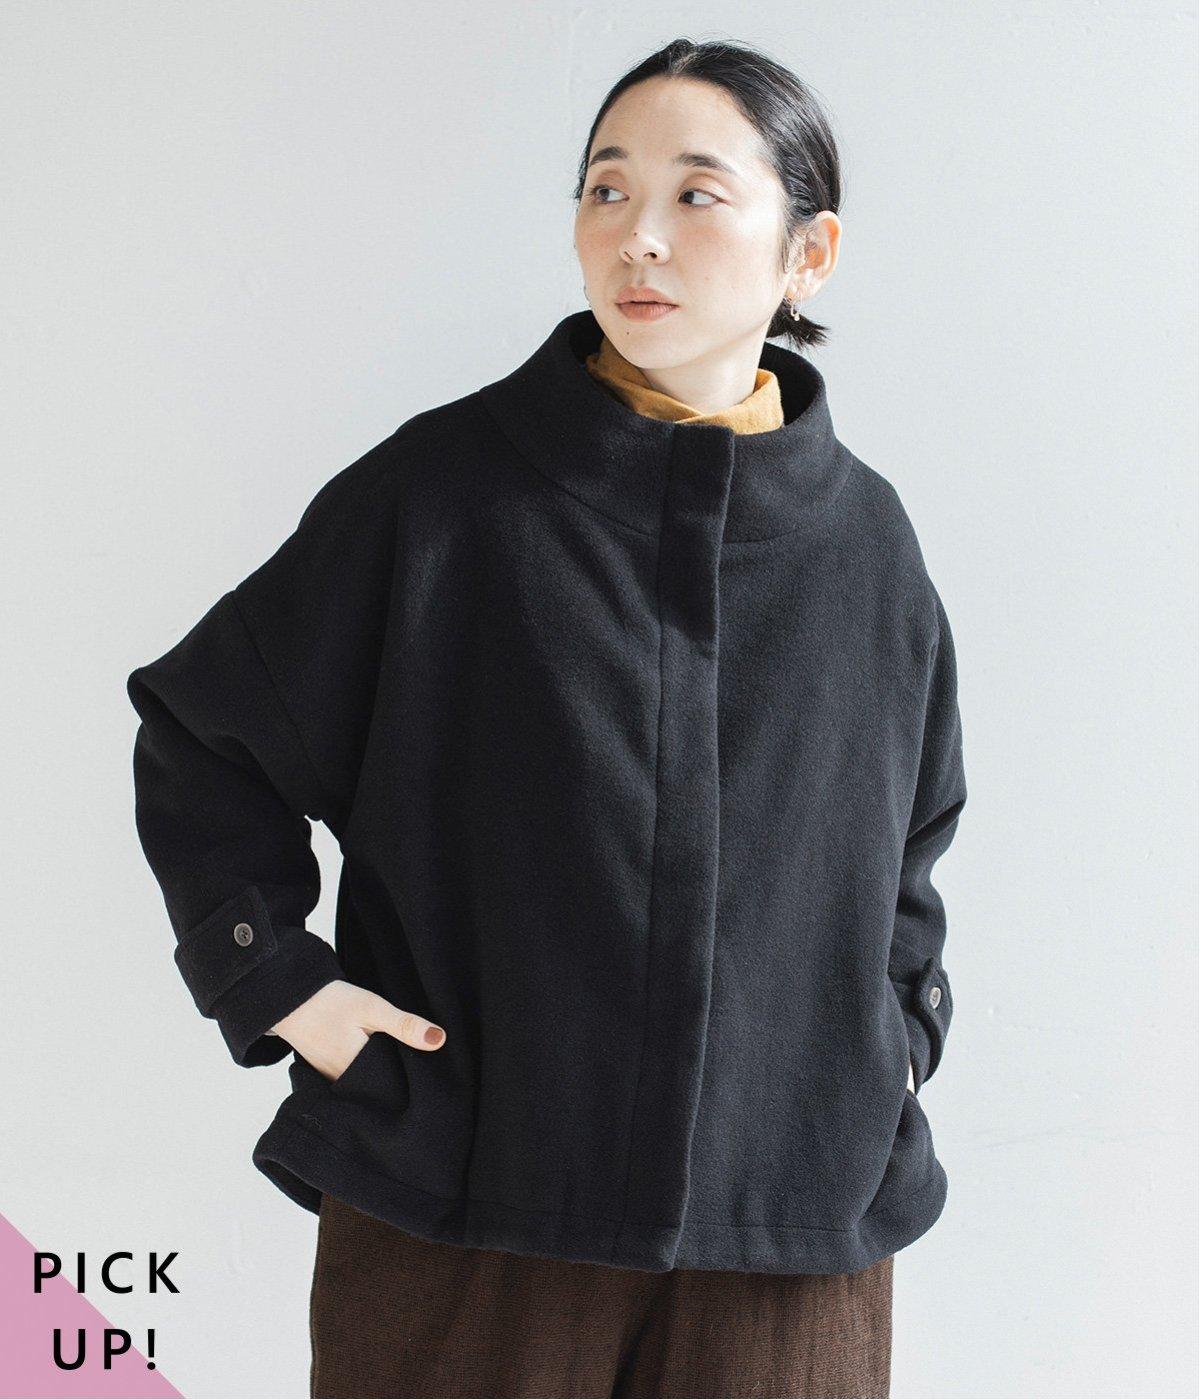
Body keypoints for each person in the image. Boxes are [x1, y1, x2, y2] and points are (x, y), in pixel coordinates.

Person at [126, 36, 967, 1400]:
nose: (639, 236)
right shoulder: (444, 496)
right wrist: (280, 984)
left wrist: (891, 1045)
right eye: (606, 190)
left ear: (808, 254)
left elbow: (910, 845)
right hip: (470, 1209)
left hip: (792, 1233)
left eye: (697, 194)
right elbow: (207, 735)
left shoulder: (867, 543)